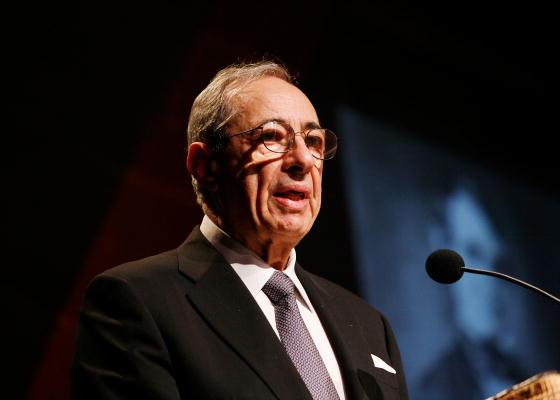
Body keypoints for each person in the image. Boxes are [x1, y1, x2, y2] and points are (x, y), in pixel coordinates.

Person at [71, 60, 408, 400]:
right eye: (271, 136)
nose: (303, 160)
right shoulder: (139, 301)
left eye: (314, 141)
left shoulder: (369, 326)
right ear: (204, 165)